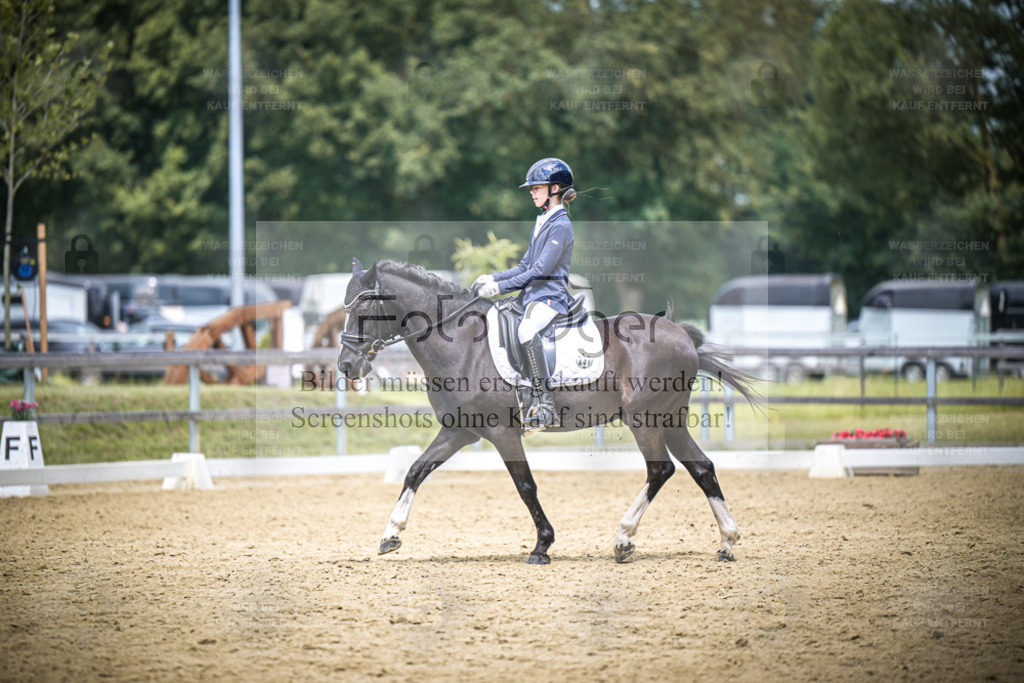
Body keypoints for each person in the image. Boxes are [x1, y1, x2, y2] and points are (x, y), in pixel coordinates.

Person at [474, 157, 577, 432]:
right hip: (532, 296)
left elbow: (542, 269)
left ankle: (545, 404)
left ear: (555, 188)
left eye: (536, 187)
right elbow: (524, 266)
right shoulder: (542, 221)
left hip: (550, 297)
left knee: (526, 331)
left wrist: (499, 288)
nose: (531, 192)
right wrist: (493, 277)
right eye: (531, 189)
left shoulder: (561, 225)